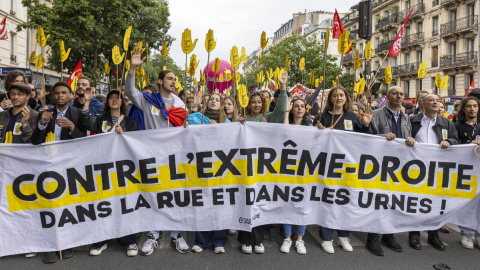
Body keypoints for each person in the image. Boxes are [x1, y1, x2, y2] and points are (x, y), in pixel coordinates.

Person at [126, 46, 189, 255]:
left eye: (175, 79)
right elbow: (129, 92)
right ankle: (153, 235)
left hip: (175, 158)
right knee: (154, 195)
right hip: (152, 157)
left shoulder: (181, 105)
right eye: (170, 78)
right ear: (160, 81)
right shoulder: (148, 101)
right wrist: (133, 69)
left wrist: (187, 128)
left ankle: (176, 235)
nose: (174, 81)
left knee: (175, 196)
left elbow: (184, 129)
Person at [31, 82, 87, 263]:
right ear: (52, 97)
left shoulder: (77, 114)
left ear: (70, 96)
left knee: (67, 206)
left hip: (69, 166)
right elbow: (35, 142)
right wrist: (41, 124)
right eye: (57, 93)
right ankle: (51, 245)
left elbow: (85, 142)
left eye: (64, 93)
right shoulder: (44, 114)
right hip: (48, 166)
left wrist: (72, 127)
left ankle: (66, 243)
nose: (60, 96)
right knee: (50, 206)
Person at [79, 88, 139, 256]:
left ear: (122, 102)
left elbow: (136, 143)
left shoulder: (131, 122)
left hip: (122, 169)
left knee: (125, 204)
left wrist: (124, 134)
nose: (114, 99)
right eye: (111, 97)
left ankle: (130, 241)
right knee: (103, 204)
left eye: (117, 97)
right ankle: (101, 240)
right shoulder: (99, 120)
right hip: (102, 168)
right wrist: (87, 102)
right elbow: (84, 124)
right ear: (107, 102)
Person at [315, 85, 371, 254]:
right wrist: (318, 131)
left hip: (348, 166)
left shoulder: (352, 116)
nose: (338, 98)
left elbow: (365, 140)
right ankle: (326, 237)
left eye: (341, 95)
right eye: (335, 95)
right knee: (327, 201)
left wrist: (367, 125)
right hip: (327, 166)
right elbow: (311, 141)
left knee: (345, 201)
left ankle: (343, 235)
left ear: (346, 98)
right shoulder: (322, 117)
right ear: (330, 99)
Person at [237, 71, 288, 254]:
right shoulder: (240, 119)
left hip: (262, 168)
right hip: (244, 168)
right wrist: (238, 124)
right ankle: (245, 240)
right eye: (253, 102)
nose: (256, 105)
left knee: (259, 203)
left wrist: (283, 87)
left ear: (263, 103)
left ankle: (257, 240)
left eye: (259, 102)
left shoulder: (268, 118)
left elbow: (282, 110)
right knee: (245, 203)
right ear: (247, 104)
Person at [366, 86, 416, 256]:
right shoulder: (377, 113)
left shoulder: (405, 117)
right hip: (380, 165)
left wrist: (410, 139)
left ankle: (389, 235)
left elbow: (406, 137)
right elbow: (368, 137)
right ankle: (373, 237)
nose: (399, 96)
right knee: (379, 201)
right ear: (387, 96)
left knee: (394, 201)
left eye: (402, 94)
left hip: (399, 166)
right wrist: (383, 137)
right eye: (395, 93)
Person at [408, 93, 459, 251]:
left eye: (438, 101)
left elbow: (456, 139)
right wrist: (408, 139)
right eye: (432, 101)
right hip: (416, 170)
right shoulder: (412, 121)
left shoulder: (446, 123)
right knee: (416, 202)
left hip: (437, 170)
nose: (436, 103)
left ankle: (434, 235)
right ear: (423, 104)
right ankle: (414, 234)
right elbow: (403, 136)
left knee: (435, 203)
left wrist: (449, 141)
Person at [185, 93, 229, 254]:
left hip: (221, 169)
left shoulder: (228, 122)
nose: (214, 101)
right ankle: (201, 241)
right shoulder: (195, 117)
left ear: (222, 104)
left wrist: (219, 129)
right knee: (202, 204)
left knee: (220, 206)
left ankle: (218, 241)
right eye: (211, 99)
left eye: (217, 100)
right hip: (200, 166)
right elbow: (189, 136)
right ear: (206, 102)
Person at [279, 97, 310, 255]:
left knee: (302, 205)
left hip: (305, 169)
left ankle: (299, 239)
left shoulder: (311, 125)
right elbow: (285, 132)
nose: (299, 109)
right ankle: (287, 238)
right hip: (288, 169)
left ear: (305, 109)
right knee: (288, 203)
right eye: (296, 106)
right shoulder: (288, 123)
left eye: (302, 106)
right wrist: (286, 111)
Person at [453, 97, 480, 249]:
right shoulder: (456, 126)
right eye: (469, 106)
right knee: (466, 203)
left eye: (475, 106)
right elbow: (453, 144)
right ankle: (465, 233)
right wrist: (467, 146)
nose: (472, 109)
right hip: (463, 171)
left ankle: (478, 233)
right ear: (464, 109)